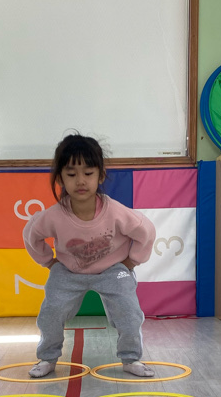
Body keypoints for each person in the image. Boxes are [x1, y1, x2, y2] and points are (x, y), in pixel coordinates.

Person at [23, 133, 156, 377]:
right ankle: (47, 358)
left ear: (100, 176)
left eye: (88, 173)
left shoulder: (114, 211)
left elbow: (145, 230)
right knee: (51, 311)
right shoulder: (54, 215)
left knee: (129, 312)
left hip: (113, 271)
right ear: (60, 178)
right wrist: (49, 262)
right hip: (68, 271)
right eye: (71, 174)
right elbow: (31, 234)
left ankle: (131, 358)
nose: (80, 181)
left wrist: (131, 261)